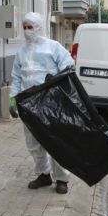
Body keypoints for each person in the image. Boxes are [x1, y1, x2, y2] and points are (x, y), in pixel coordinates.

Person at [9, 12, 74, 194]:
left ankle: (61, 178)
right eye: (25, 28)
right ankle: (43, 174)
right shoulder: (21, 52)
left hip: (50, 102)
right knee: (33, 141)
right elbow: (16, 77)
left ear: (38, 27)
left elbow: (68, 66)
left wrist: (56, 85)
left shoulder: (53, 47)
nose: (28, 31)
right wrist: (13, 98)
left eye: (31, 27)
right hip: (28, 102)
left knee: (55, 140)